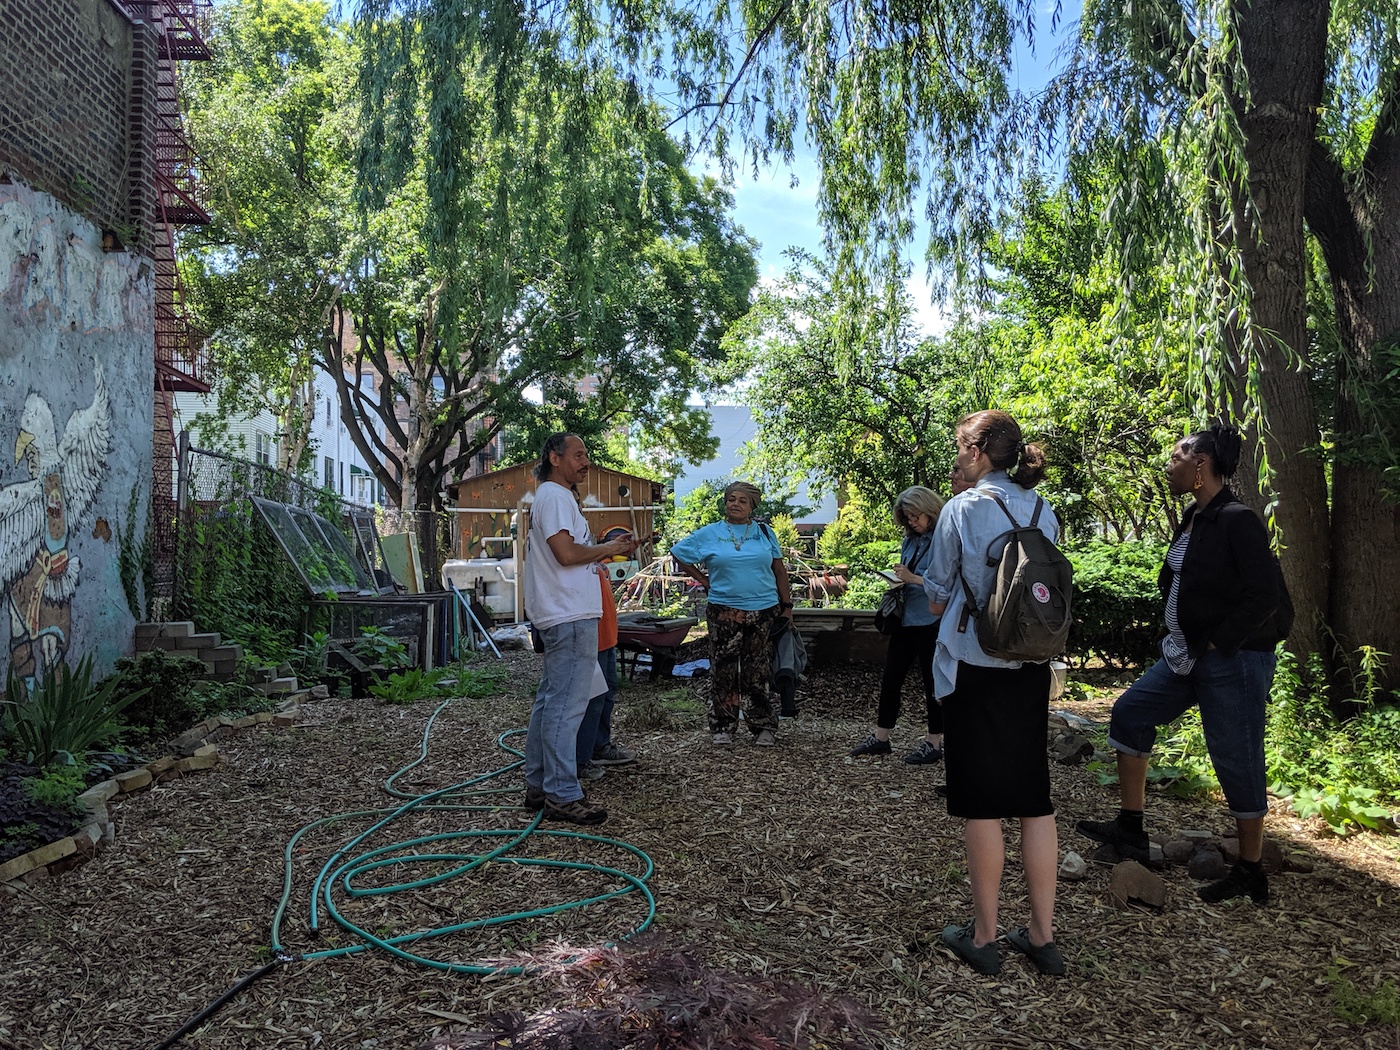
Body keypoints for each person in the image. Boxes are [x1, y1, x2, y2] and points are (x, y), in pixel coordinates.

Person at [1077, 423, 1291, 905]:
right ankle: (1130, 827)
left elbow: (1266, 595)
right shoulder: (1193, 515)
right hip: (1182, 655)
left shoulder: (1238, 519)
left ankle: (1250, 869)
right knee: (1130, 713)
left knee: (1236, 756)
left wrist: (1221, 642)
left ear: (1202, 464)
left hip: (1231, 660)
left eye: (1178, 456)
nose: (1169, 463)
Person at [924, 410, 1064, 977]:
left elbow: (936, 596)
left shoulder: (961, 509)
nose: (958, 457)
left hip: (973, 664)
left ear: (979, 451)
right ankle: (1041, 935)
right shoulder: (1042, 509)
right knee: (1034, 800)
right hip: (1031, 662)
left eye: (961, 447)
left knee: (981, 803)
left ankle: (984, 937)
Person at [522, 433, 636, 825]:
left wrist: (600, 559)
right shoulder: (554, 496)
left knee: (551, 700)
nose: (585, 462)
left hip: (563, 611)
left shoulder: (555, 497)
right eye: (578, 455)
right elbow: (567, 554)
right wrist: (607, 549)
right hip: (568, 615)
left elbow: (570, 557)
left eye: (586, 455)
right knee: (566, 706)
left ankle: (539, 785)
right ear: (555, 458)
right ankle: (562, 794)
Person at [670, 481, 793, 746]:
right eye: (731, 499)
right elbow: (679, 553)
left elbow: (779, 570)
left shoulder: (764, 532)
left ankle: (762, 726)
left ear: (751, 506)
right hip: (724, 610)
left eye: (742, 501)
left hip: (763, 610)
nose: (735, 504)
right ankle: (723, 726)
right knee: (723, 669)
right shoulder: (711, 533)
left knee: (757, 670)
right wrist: (704, 581)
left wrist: (787, 606)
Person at [849, 486, 946, 763]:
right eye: (906, 518)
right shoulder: (910, 540)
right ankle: (881, 738)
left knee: (933, 684)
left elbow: (945, 583)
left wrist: (913, 578)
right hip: (907, 619)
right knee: (891, 678)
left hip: (932, 620)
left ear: (930, 510)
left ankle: (934, 742)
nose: (912, 522)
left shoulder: (943, 539)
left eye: (916, 516)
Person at [577, 569, 637, 780]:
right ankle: (580, 759)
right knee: (592, 700)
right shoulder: (574, 557)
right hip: (590, 639)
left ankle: (600, 745)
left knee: (606, 694)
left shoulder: (594, 558)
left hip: (606, 637)